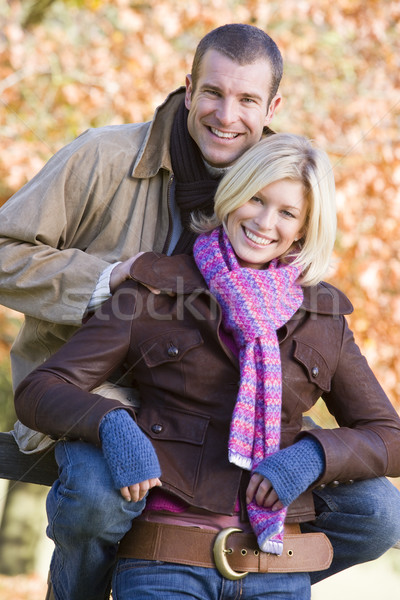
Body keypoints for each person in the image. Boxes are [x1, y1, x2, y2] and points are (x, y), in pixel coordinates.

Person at [1, 22, 399, 600]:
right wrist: (108, 279)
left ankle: (237, 563)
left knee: (378, 513)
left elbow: (380, 424)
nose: (227, 114)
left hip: (227, 408)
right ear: (189, 89)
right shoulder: (103, 158)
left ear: (272, 107)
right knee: (94, 498)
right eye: (213, 93)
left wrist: (309, 452)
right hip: (100, 394)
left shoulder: (280, 185)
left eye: (247, 100)